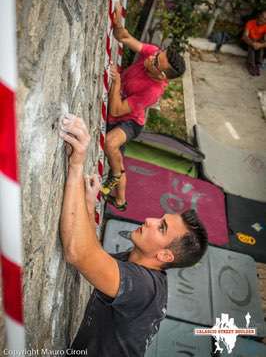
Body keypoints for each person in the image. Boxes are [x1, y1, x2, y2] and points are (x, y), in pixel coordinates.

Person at [59, 114, 208, 357]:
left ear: (165, 254)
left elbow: (77, 252)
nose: (149, 220)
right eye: (160, 219)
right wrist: (87, 205)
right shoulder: (136, 264)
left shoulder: (143, 287)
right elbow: (93, 254)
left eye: (161, 227)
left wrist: (77, 164)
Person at [101, 2, 186, 211]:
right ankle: (120, 201)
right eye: (157, 54)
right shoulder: (154, 54)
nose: (151, 57)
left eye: (157, 61)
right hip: (122, 112)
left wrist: (118, 81)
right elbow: (125, 37)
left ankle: (114, 177)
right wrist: (118, 20)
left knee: (111, 144)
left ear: (162, 75)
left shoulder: (152, 91)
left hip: (131, 122)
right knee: (117, 157)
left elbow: (116, 111)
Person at [242, 11, 266, 76]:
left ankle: (258, 66)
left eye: (265, 19)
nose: (262, 19)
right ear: (259, 15)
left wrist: (260, 45)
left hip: (258, 43)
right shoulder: (251, 22)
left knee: (261, 44)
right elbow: (244, 36)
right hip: (247, 42)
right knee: (252, 45)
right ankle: (251, 65)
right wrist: (253, 43)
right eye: (262, 17)